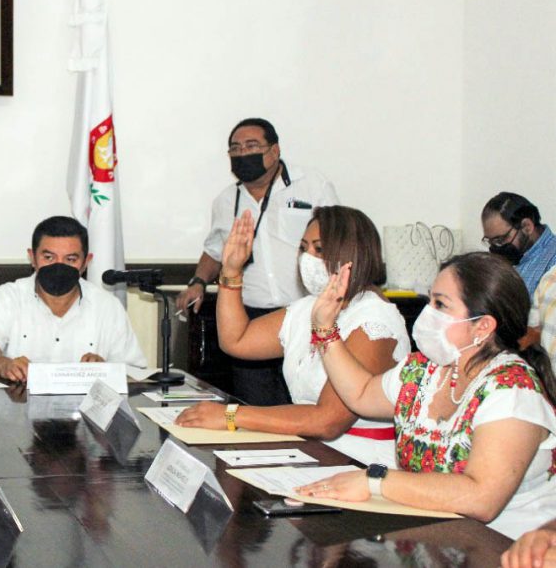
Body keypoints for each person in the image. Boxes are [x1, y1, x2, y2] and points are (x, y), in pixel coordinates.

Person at [297, 252, 556, 540]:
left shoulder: (513, 390)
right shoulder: (424, 370)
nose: (427, 311)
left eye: (440, 304)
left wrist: (374, 481)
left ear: (482, 326)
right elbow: (359, 393)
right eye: (431, 299)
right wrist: (325, 328)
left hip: (508, 547)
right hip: (434, 538)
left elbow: (481, 498)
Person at [174, 206, 410, 465]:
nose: (307, 258)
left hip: (360, 462)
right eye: (303, 248)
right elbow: (236, 340)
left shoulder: (374, 321)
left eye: (318, 249)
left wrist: (232, 416)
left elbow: (328, 421)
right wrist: (231, 271)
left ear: (351, 254)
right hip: (309, 452)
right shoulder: (310, 307)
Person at [176, 117, 338, 406]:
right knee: (257, 407)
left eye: (251, 146)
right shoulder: (225, 201)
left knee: (307, 403)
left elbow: (339, 240)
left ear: (274, 150)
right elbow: (215, 251)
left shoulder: (312, 185)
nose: (242, 154)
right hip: (249, 320)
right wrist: (198, 282)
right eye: (235, 149)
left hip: (305, 315)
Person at [0, 216, 147, 382]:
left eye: (70, 259)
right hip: (18, 405)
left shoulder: (107, 306)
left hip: (83, 410)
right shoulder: (8, 296)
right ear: (32, 258)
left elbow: (134, 371)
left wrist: (106, 369)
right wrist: (4, 364)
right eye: (49, 257)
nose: (59, 266)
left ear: (86, 262)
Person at [482, 192, 556, 295]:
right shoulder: (515, 258)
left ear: (527, 227)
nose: (496, 247)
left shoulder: (552, 262)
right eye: (490, 241)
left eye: (501, 239)